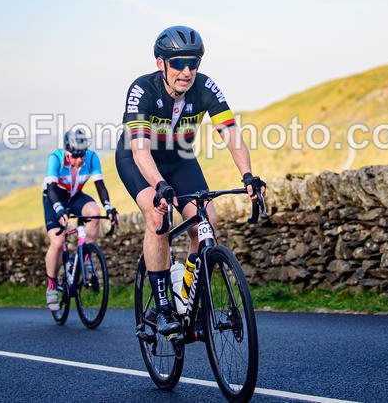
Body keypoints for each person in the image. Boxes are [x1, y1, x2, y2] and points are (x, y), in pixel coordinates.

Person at [115, 25, 266, 336]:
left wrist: (248, 175)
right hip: (138, 159)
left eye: (193, 63)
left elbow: (231, 134)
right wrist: (158, 186)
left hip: (181, 160)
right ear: (161, 63)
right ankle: (162, 307)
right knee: (158, 215)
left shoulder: (205, 87)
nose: (186, 71)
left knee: (206, 219)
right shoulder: (142, 89)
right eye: (178, 63)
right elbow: (141, 150)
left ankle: (188, 295)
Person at [42, 129, 119, 311]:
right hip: (54, 197)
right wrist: (59, 210)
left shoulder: (92, 158)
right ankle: (52, 286)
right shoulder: (55, 159)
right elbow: (51, 189)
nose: (81, 160)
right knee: (58, 241)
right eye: (76, 156)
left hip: (75, 195)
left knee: (94, 212)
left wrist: (108, 207)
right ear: (67, 152)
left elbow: (100, 185)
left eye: (82, 155)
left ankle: (86, 258)